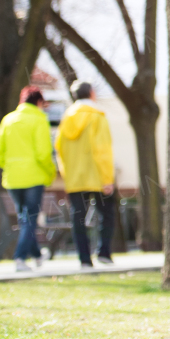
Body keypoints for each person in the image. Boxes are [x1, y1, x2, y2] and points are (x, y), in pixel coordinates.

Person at [0, 86, 56, 271]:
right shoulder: (39, 119)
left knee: (24, 217)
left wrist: (10, 165)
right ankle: (20, 257)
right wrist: (50, 171)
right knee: (30, 218)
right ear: (38, 102)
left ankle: (36, 255)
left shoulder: (8, 119)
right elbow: (43, 153)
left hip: (13, 177)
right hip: (33, 176)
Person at [55, 81, 116, 269]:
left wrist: (67, 173)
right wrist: (107, 179)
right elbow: (102, 150)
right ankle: (103, 252)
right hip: (97, 176)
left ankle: (84, 259)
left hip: (75, 177)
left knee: (78, 217)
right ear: (91, 93)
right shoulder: (97, 116)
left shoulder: (66, 118)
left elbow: (60, 148)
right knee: (107, 214)